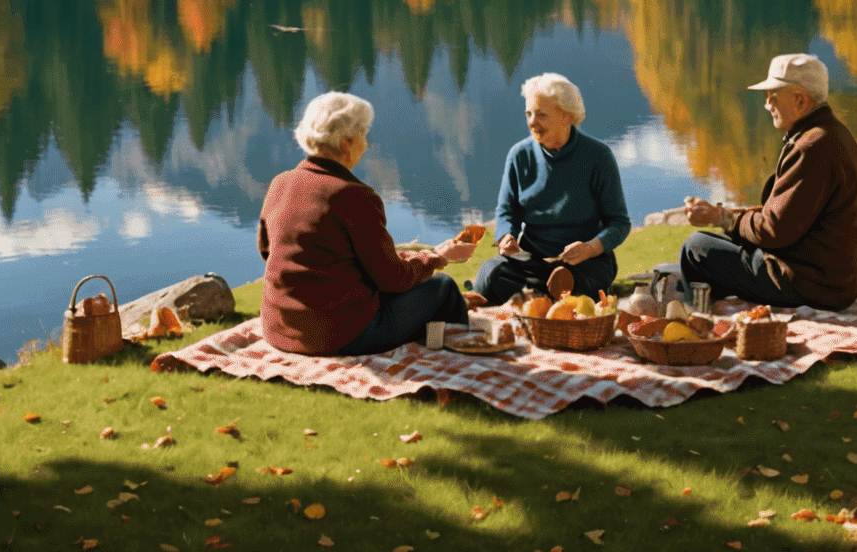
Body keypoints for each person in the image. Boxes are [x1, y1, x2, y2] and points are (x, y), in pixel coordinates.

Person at [257, 90, 477, 355]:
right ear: (347, 143)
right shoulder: (353, 195)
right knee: (443, 288)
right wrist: (437, 259)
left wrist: (424, 256)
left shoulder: (280, 183)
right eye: (364, 135)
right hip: (338, 334)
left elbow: (268, 252)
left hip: (279, 330)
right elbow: (391, 279)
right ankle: (463, 358)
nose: (367, 144)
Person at [679, 53, 857, 311]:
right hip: (828, 279)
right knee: (722, 245)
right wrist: (722, 214)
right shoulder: (828, 133)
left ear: (800, 100)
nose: (767, 104)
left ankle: (698, 320)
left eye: (773, 96)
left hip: (812, 285)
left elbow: (772, 229)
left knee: (696, 247)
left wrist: (721, 218)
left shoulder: (811, 148)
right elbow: (783, 217)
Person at [472, 72, 631, 306]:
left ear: (566, 116)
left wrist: (590, 248)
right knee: (490, 273)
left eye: (541, 114)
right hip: (532, 259)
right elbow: (507, 212)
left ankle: (540, 299)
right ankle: (541, 298)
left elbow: (619, 223)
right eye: (528, 113)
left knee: (573, 282)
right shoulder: (519, 155)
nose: (532, 122)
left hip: (586, 262)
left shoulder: (598, 157)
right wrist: (507, 236)